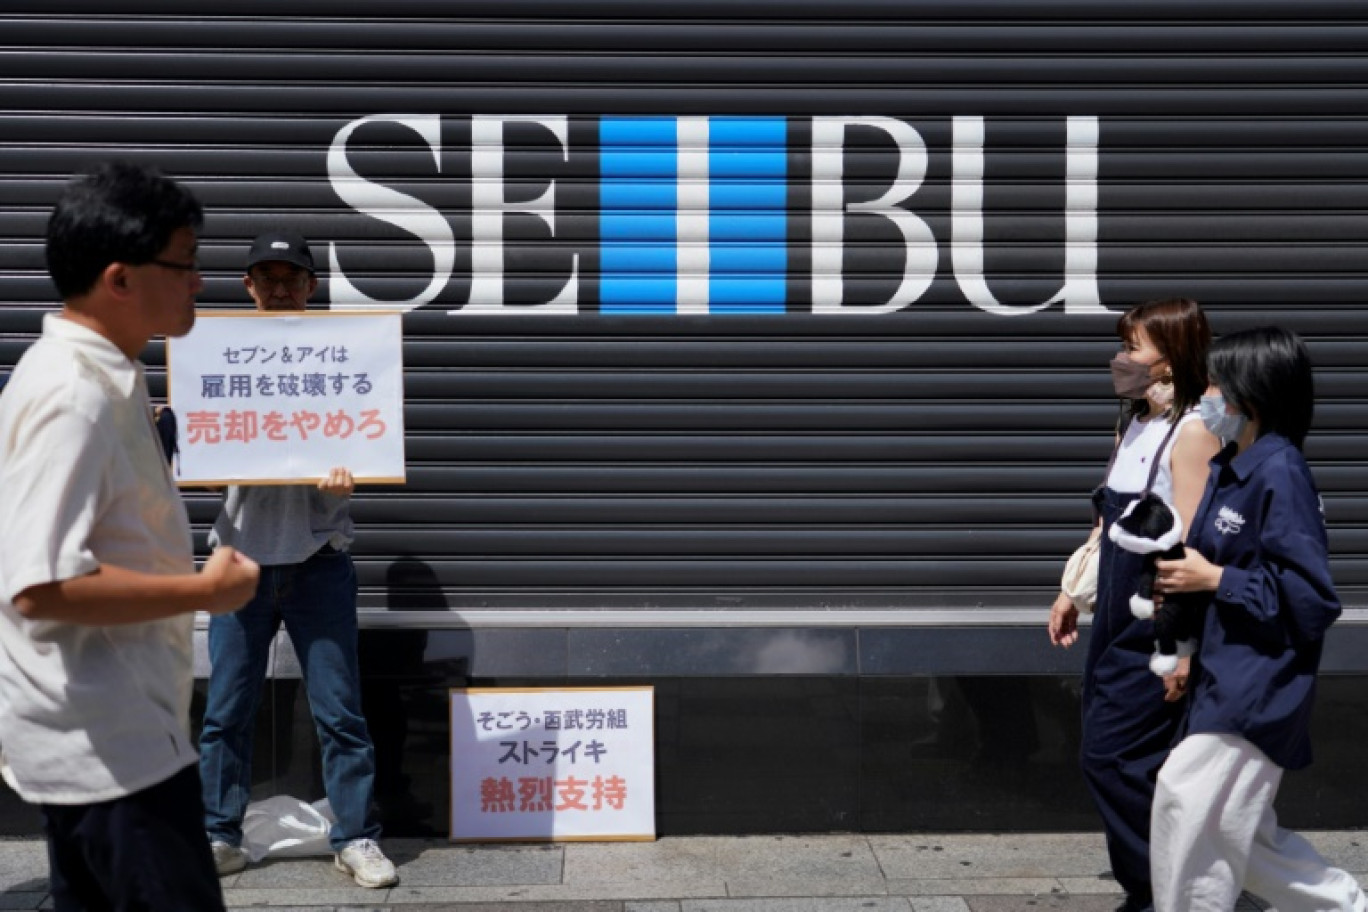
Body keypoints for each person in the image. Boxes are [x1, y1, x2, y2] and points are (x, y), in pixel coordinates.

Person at [0, 161, 260, 911]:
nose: (198, 282)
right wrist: (206, 591)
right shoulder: (73, 396)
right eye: (183, 264)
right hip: (114, 757)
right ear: (120, 279)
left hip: (108, 739)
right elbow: (44, 583)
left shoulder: (102, 376)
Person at [197, 231, 398, 888]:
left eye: (292, 277)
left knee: (339, 710)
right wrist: (194, 459)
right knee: (226, 709)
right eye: (267, 276)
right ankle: (219, 834)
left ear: (312, 287)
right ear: (248, 286)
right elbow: (196, 468)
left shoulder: (342, 360)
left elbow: (367, 436)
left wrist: (351, 476)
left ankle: (356, 837)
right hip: (237, 563)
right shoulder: (215, 358)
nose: (280, 287)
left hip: (319, 559)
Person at [1149, 328, 1366, 911]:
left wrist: (1214, 579)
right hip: (1221, 674)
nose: (1206, 396)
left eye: (1218, 383)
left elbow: (1310, 600)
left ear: (1254, 391)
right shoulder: (1230, 465)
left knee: (1186, 806)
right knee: (1241, 837)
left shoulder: (1281, 473)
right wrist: (1184, 645)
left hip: (1259, 684)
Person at [1048, 298, 1222, 912]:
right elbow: (1108, 524)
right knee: (1115, 755)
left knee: (1113, 757)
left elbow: (1195, 545)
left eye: (1133, 348)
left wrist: (1181, 649)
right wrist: (1073, 590)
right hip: (1115, 618)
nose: (1121, 359)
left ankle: (1169, 892)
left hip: (1155, 622)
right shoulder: (1135, 424)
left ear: (1170, 359)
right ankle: (1156, 889)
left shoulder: (1194, 431)